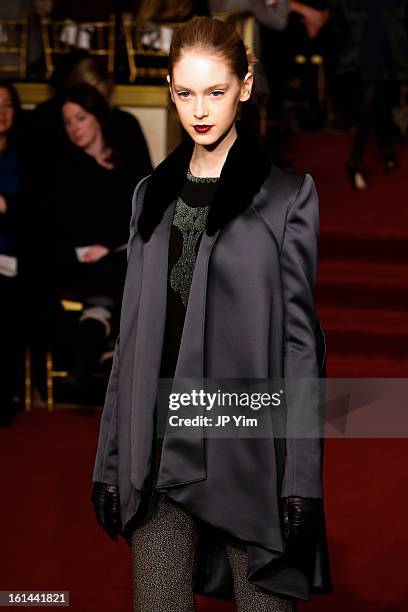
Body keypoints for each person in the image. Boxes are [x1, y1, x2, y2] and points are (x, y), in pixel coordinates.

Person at [92, 16, 332, 611]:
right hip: (156, 444)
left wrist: (301, 477)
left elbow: (302, 347)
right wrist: (110, 460)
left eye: (216, 92)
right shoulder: (150, 196)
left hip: (246, 450)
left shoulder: (285, 198)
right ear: (170, 90)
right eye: (185, 93)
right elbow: (129, 338)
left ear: (245, 88)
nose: (200, 110)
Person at [45, 83, 151, 401]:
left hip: (124, 256)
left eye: (80, 118)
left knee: (124, 268)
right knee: (115, 273)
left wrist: (113, 242)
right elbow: (66, 226)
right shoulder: (66, 168)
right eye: (68, 122)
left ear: (98, 117)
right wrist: (93, 246)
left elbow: (146, 209)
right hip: (83, 264)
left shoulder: (126, 159)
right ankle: (105, 363)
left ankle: (90, 364)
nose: (74, 128)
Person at [330, 0, 408, 189]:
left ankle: (385, 148)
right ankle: (356, 160)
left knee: (377, 88)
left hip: (375, 23)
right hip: (371, 24)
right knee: (374, 86)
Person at [0, 82, 25, 426]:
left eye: (6, 105)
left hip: (14, 259)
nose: (1, 113)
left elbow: (38, 214)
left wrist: (6, 205)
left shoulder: (25, 156)